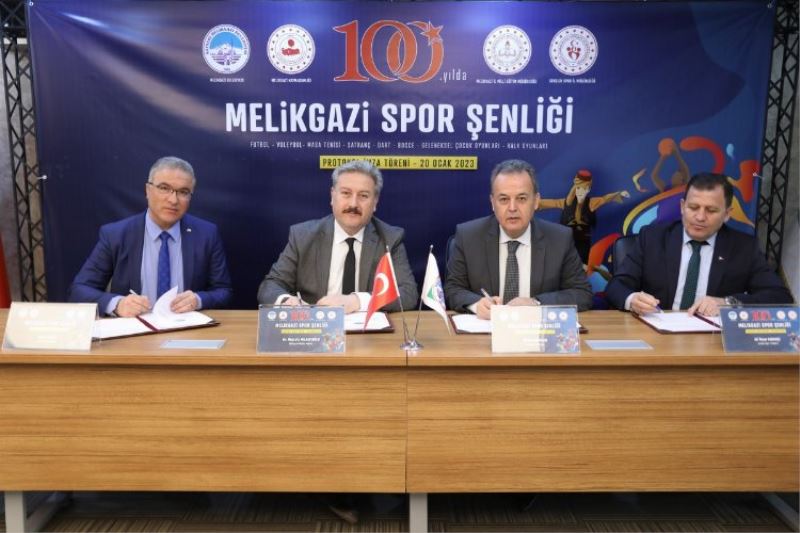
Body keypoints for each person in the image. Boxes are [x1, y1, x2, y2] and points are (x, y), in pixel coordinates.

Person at [606, 172, 793, 316]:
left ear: (727, 214)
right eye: (693, 207)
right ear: (682, 207)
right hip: (656, 335)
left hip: (713, 341)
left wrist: (727, 303)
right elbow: (617, 286)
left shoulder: (743, 247)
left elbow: (779, 297)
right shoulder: (653, 238)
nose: (700, 217)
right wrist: (633, 299)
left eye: (711, 210)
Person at [69, 156, 233, 316]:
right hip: (135, 329)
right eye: (164, 188)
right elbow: (79, 290)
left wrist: (198, 300)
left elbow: (224, 291)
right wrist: (118, 304)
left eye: (183, 192)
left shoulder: (206, 234)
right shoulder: (116, 235)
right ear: (148, 190)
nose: (173, 200)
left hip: (189, 328)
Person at [258, 160, 418, 313]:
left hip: (368, 329)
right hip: (316, 326)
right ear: (332, 196)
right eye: (346, 193)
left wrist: (357, 301)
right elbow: (271, 285)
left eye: (363, 196)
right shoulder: (303, 236)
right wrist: (286, 301)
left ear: (375, 202)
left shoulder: (390, 238)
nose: (353, 204)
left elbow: (408, 293)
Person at [445, 159, 593, 318]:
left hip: (537, 330)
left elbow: (582, 293)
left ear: (536, 201)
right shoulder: (468, 236)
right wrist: (476, 305)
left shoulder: (560, 239)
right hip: (486, 329)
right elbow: (452, 289)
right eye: (503, 199)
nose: (512, 208)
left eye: (521, 198)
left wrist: (536, 303)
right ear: (493, 203)